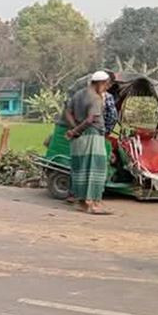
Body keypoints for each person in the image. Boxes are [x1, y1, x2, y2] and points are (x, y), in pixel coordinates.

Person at [65, 71, 112, 215]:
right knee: (95, 167)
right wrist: (75, 131)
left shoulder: (78, 94)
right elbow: (91, 119)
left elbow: (67, 111)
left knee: (81, 168)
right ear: (100, 83)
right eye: (105, 85)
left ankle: (81, 202)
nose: (105, 88)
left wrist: (74, 129)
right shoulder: (95, 98)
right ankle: (92, 203)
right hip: (93, 134)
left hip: (80, 137)